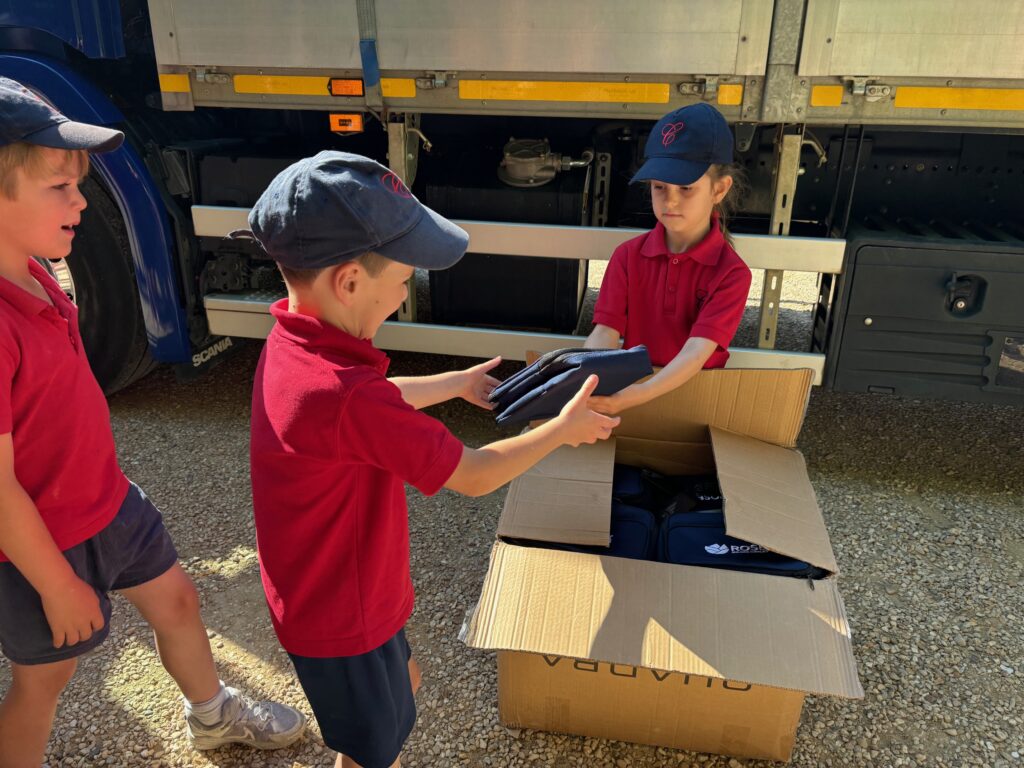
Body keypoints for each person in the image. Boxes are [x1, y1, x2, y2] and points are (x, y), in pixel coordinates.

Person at [247, 151, 619, 768]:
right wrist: (561, 429)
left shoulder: (296, 346)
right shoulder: (343, 392)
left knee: (400, 699)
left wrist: (452, 383)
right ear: (349, 282)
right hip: (345, 619)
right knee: (375, 752)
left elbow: (367, 409)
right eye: (403, 278)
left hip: (334, 596)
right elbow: (473, 475)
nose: (404, 290)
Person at [0, 76, 306, 767]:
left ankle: (213, 715)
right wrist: (55, 583)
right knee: (43, 682)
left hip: (107, 504)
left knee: (178, 600)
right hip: (40, 545)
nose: (82, 200)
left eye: (80, 184)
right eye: (59, 187)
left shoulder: (36, 269)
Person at [585, 102, 753, 414]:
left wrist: (636, 395)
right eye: (659, 187)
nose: (670, 200)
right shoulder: (627, 255)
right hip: (635, 388)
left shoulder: (732, 273)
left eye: (686, 187)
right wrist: (584, 380)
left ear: (720, 189)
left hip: (693, 399)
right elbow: (605, 332)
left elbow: (696, 353)